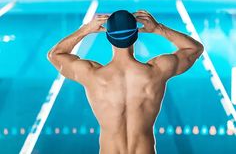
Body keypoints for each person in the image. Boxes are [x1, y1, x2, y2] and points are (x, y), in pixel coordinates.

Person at [47, 10, 204, 154]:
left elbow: (55, 55)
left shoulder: (92, 75)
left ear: (108, 37)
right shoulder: (156, 72)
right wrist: (158, 28)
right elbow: (194, 49)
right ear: (136, 35)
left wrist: (86, 30)